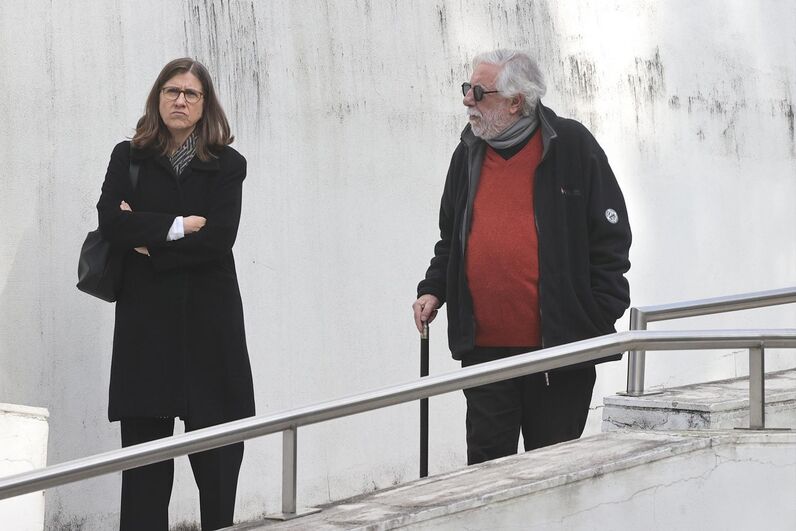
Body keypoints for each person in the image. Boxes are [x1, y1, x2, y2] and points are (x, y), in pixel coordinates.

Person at [412, 49, 631, 466]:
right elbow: (451, 238)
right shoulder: (468, 153)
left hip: (557, 353)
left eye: (478, 91)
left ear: (516, 101)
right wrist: (434, 289)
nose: (467, 100)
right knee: (487, 468)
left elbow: (611, 239)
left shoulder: (571, 146)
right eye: (466, 89)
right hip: (485, 353)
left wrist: (596, 315)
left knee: (551, 473)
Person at [96, 58, 255, 530]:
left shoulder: (228, 164)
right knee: (145, 470)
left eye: (191, 93)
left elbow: (219, 238)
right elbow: (110, 222)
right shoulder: (128, 156)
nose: (180, 100)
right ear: (157, 97)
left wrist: (149, 245)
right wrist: (177, 226)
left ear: (206, 104)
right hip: (147, 328)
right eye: (172, 91)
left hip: (211, 327)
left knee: (218, 462)